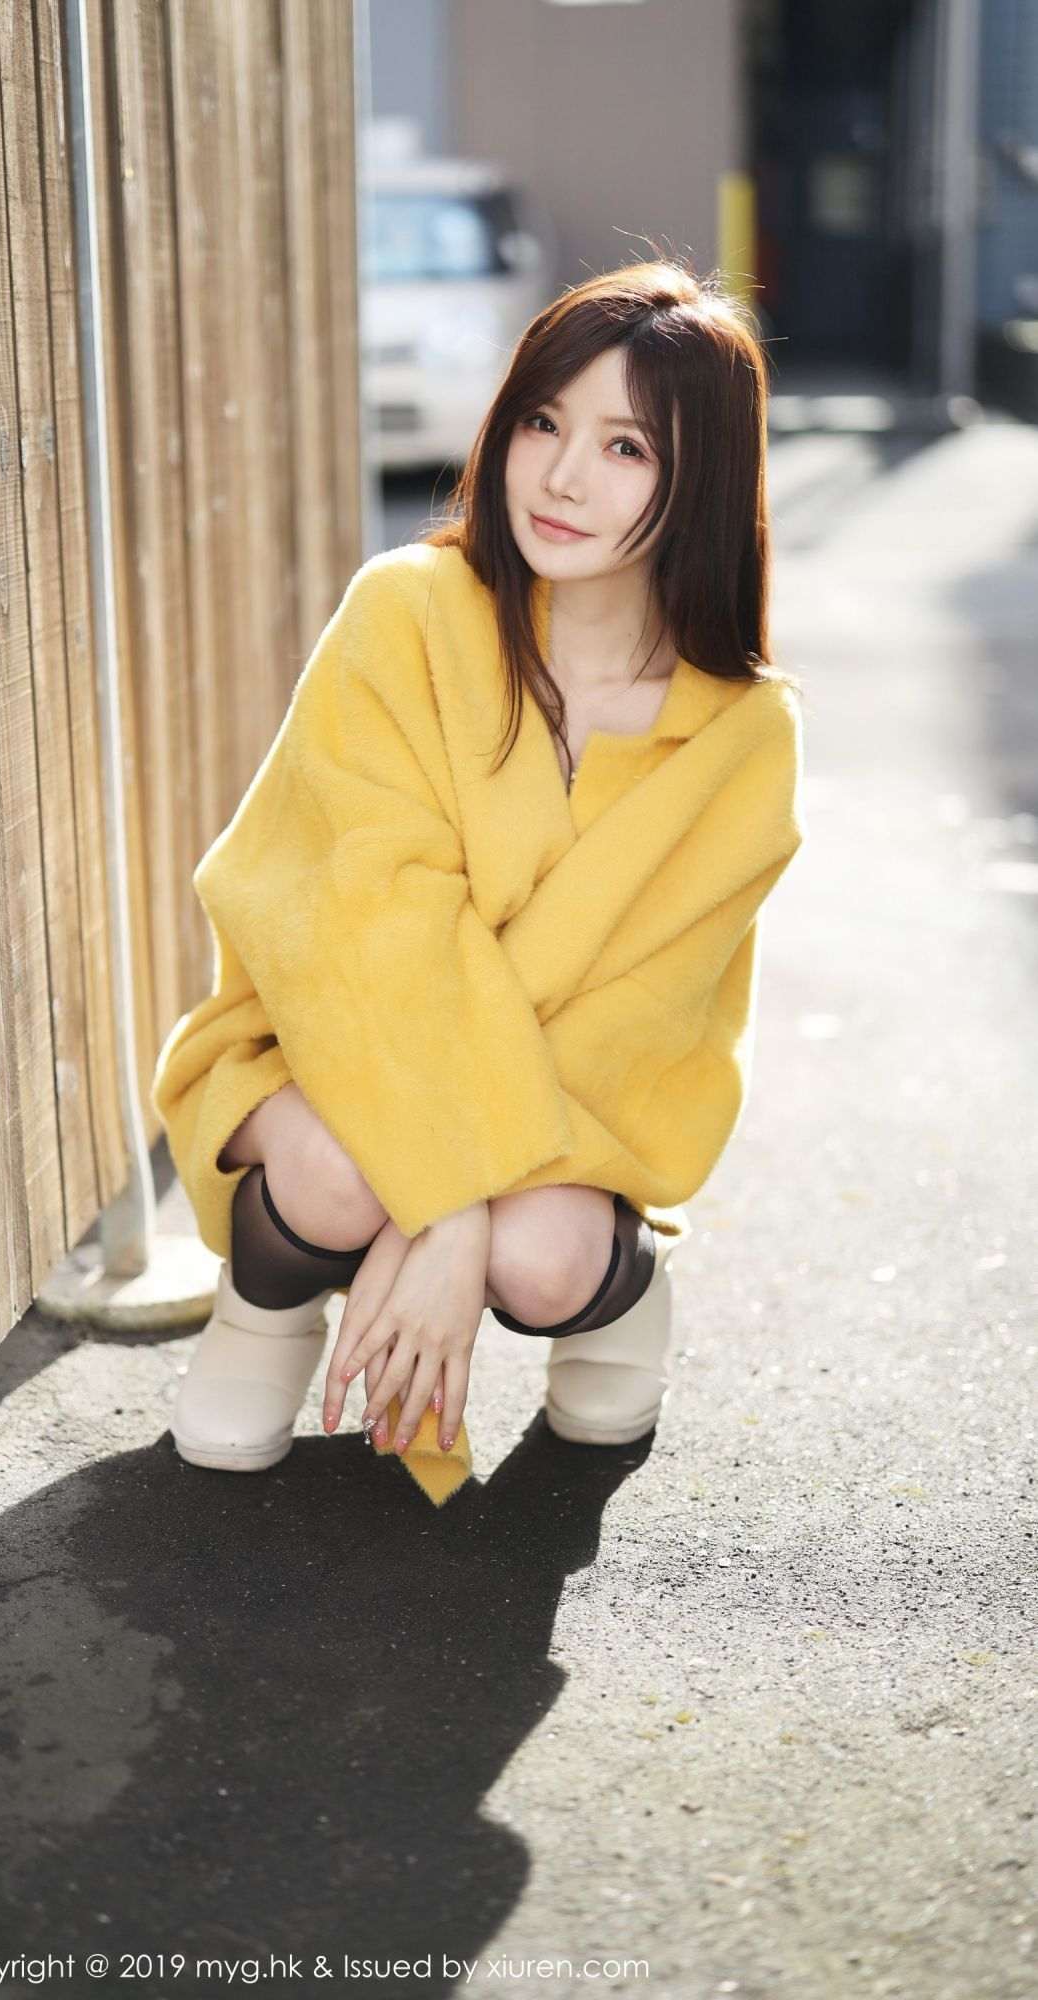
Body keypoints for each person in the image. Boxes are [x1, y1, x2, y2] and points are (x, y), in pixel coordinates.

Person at [150, 256, 807, 1489]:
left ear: (703, 481)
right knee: (340, 1170)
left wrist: (467, 1195)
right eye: (542, 421)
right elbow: (360, 919)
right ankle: (266, 1310)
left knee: (542, 1255)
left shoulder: (743, 734)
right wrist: (441, 1207)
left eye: (626, 448)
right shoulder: (405, 610)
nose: (559, 476)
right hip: (325, 1045)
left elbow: (629, 1019)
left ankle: (619, 1294)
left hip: (577, 1107)